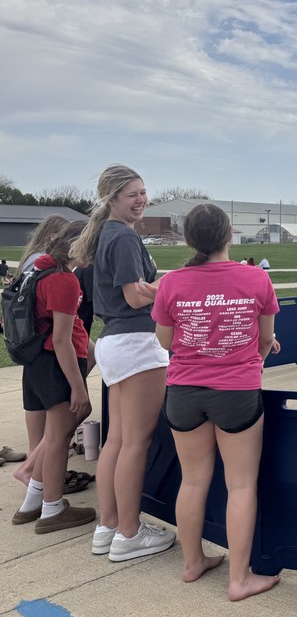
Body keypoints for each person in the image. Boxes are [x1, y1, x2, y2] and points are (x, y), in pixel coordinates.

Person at [152, 204, 281, 601]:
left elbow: (165, 341)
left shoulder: (172, 282)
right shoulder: (256, 278)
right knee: (240, 484)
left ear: (191, 239)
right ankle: (239, 580)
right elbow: (264, 338)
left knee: (192, 481)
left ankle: (193, 562)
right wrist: (251, 357)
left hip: (184, 391)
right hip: (236, 391)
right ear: (228, 235)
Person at [71, 164, 176, 561]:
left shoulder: (106, 235)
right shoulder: (123, 238)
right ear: (112, 198)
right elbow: (135, 296)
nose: (141, 200)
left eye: (143, 192)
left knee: (117, 440)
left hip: (115, 343)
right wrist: (172, 284)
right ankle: (130, 533)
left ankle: (109, 526)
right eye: (133, 193)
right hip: (135, 342)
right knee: (134, 442)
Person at [12, 220, 96, 533]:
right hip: (54, 361)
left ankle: (32, 502)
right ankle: (52, 509)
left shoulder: (39, 269)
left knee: (58, 431)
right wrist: (77, 386)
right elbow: (61, 339)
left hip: (35, 361)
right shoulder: (64, 281)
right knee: (60, 437)